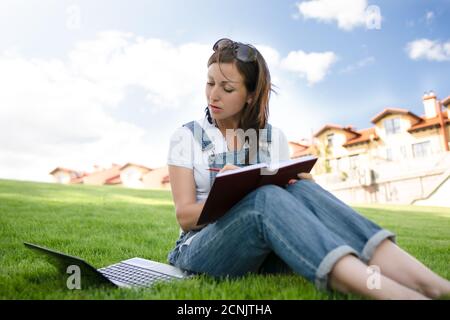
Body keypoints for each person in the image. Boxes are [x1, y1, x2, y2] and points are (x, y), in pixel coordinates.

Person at [166, 38, 450, 300]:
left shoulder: (272, 138)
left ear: (250, 96)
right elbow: (185, 217)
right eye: (210, 83)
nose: (213, 95)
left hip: (264, 251)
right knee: (264, 197)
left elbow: (288, 199)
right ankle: (399, 296)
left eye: (227, 88)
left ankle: (434, 286)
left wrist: (302, 187)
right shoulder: (187, 136)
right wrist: (232, 195)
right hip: (200, 248)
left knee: (300, 187)